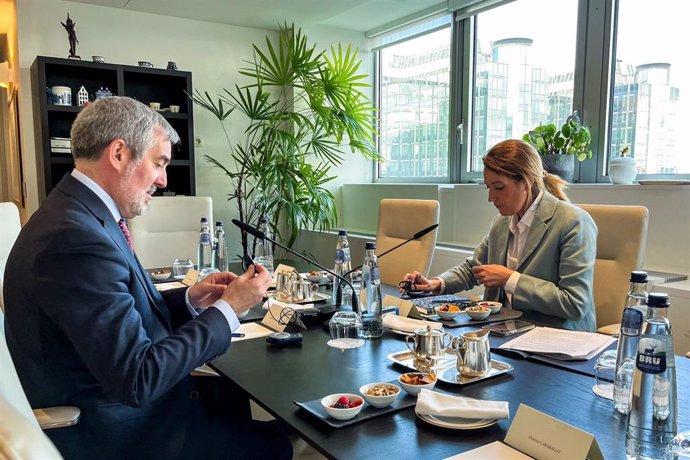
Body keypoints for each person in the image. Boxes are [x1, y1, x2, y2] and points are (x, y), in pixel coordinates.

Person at [3, 97, 292, 459]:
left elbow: (121, 307)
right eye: (158, 163)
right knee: (276, 443)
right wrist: (231, 307)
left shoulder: (78, 213)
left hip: (119, 407)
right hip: (121, 437)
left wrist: (190, 299)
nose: (163, 179)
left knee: (232, 398)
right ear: (119, 153)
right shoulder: (74, 238)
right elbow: (139, 378)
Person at [402, 139, 598, 331]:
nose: (491, 198)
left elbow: (575, 304)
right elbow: (475, 268)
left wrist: (510, 279)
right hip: (506, 331)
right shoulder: (503, 221)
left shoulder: (573, 222)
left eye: (499, 187)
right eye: (488, 188)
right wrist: (436, 284)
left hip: (556, 340)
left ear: (527, 180)